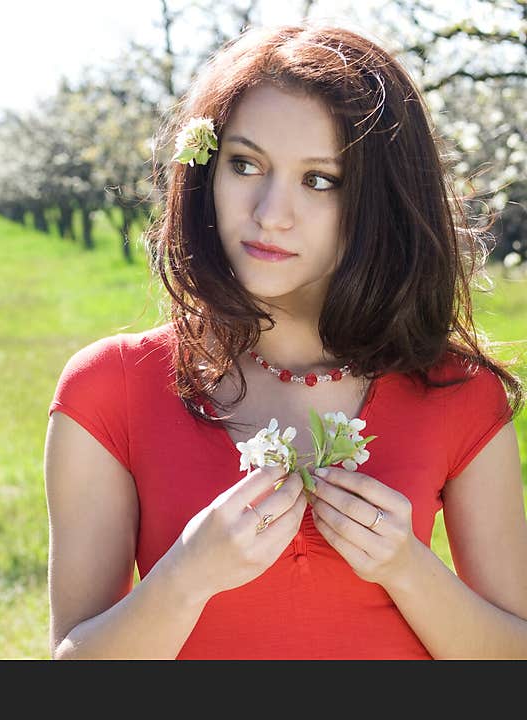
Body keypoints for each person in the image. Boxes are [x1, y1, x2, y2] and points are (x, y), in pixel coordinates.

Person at [43, 22, 527, 659]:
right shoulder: (110, 390)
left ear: (380, 202)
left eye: (320, 179)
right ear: (206, 171)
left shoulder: (458, 395)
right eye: (245, 164)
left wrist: (407, 568)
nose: (272, 212)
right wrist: (187, 577)